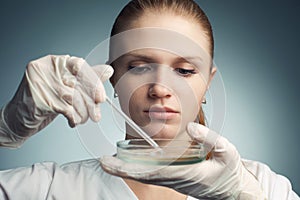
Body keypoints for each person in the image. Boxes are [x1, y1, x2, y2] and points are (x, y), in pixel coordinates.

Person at [0, 0, 298, 199]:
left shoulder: (266, 188)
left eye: (183, 70)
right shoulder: (48, 189)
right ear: (111, 77)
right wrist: (5, 130)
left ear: (208, 82)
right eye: (139, 67)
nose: (160, 88)